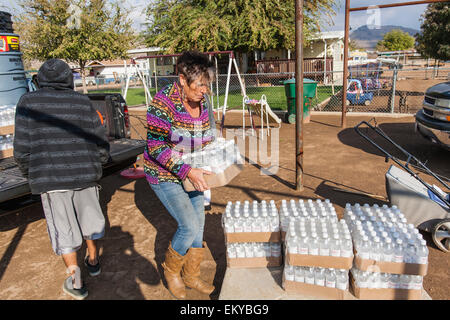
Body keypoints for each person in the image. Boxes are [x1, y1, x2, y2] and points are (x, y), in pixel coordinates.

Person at [13, 59, 110, 300]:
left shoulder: (27, 102)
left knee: (64, 231)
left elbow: (22, 149)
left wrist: (30, 174)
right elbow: (99, 139)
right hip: (86, 173)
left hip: (51, 178)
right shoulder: (82, 102)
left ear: (40, 80)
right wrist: (99, 163)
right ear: (69, 80)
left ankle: (77, 283)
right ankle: (94, 261)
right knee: (91, 222)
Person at [144, 51, 217, 299]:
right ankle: (172, 272)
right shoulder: (163, 102)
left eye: (206, 85)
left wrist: (214, 152)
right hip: (164, 173)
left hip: (192, 169)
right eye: (198, 86)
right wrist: (187, 169)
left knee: (199, 226)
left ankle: (191, 275)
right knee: (188, 226)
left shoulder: (203, 102)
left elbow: (206, 134)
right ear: (182, 80)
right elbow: (155, 146)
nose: (203, 91)